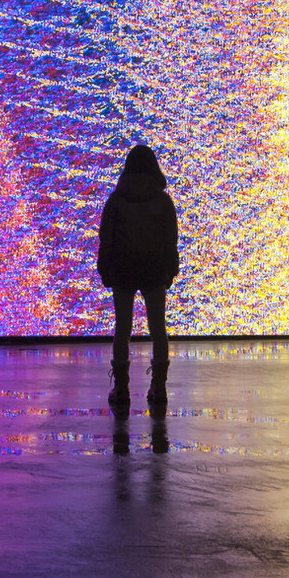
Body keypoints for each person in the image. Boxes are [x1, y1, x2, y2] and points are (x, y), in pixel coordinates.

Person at [96, 144, 179, 412]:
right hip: (154, 269)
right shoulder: (163, 201)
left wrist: (105, 268)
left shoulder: (117, 200)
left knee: (123, 330)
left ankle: (121, 389)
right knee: (158, 329)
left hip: (123, 268)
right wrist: (170, 268)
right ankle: (159, 387)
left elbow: (105, 237)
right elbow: (170, 240)